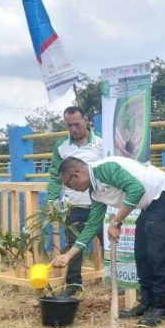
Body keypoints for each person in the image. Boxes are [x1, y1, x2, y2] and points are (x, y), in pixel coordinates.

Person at [51, 156, 165, 328]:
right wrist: (68, 255)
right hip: (148, 205)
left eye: (67, 184)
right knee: (141, 254)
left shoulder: (104, 169)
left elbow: (136, 189)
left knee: (156, 254)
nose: (69, 188)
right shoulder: (94, 191)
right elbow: (92, 225)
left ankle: (161, 308)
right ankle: (147, 303)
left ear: (76, 175)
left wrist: (115, 222)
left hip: (163, 194)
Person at [45, 106, 103, 297]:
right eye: (69, 126)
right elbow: (55, 175)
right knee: (74, 244)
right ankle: (74, 284)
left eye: (77, 124)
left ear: (86, 120)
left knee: (110, 243)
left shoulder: (102, 142)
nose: (73, 129)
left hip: (101, 203)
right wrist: (52, 199)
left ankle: (116, 279)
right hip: (73, 204)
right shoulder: (61, 146)